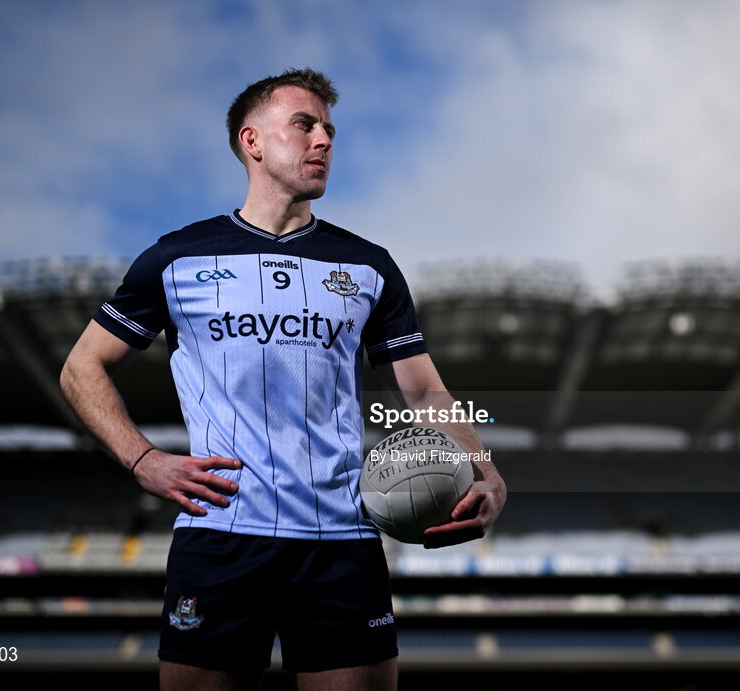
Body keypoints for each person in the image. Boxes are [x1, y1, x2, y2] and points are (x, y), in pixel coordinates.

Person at [60, 67, 506, 690]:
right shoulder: (176, 257)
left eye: (329, 130)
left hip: (342, 540)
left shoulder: (369, 266)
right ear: (253, 141)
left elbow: (425, 391)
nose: (323, 139)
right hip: (220, 534)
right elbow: (82, 366)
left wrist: (486, 469)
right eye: (304, 125)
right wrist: (143, 462)